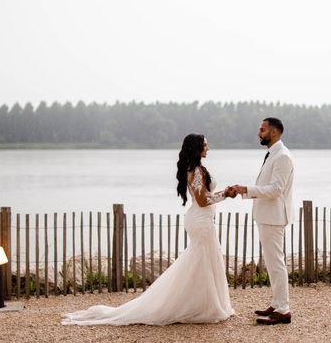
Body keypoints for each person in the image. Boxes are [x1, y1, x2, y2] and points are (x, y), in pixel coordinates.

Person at [62, 133, 236, 326]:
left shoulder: (197, 169)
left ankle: (204, 303)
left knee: (203, 261)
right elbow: (203, 200)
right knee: (200, 260)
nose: (208, 147)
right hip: (201, 220)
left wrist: (223, 194)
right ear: (197, 148)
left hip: (202, 219)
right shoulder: (195, 171)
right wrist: (225, 194)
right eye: (205, 144)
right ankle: (199, 305)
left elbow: (203, 198)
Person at [232, 117, 294, 325]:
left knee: (276, 262)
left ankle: (284, 310)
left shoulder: (283, 157)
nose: (259, 133)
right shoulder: (273, 155)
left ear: (273, 132)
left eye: (262, 130)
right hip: (267, 216)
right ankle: (277, 304)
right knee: (272, 261)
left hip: (274, 217)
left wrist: (246, 190)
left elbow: (276, 190)